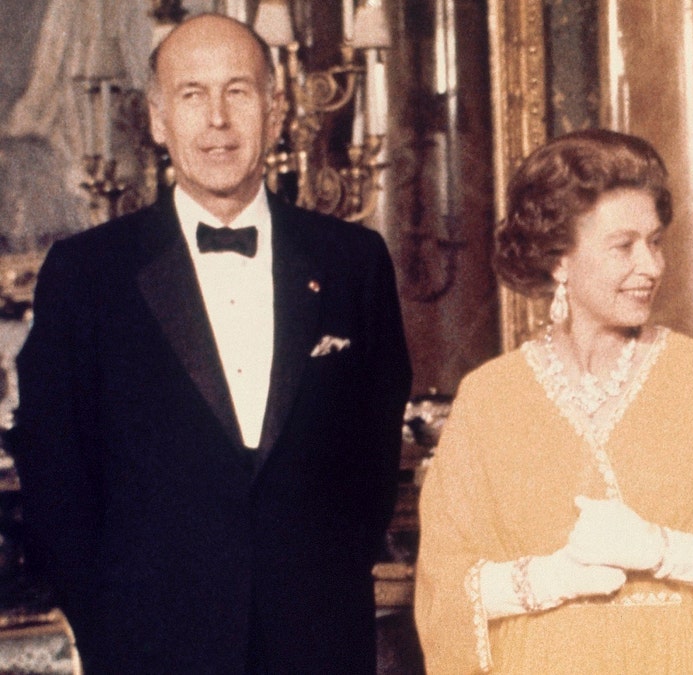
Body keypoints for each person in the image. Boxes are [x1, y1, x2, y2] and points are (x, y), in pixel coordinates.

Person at [6, 14, 411, 674]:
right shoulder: (87, 274)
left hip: (319, 641)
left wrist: (321, 583)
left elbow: (371, 461)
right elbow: (55, 474)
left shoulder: (353, 262)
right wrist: (106, 624)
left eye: (239, 92)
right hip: (150, 648)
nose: (217, 121)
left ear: (275, 111)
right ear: (159, 120)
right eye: (192, 95)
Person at [414, 128, 693, 673]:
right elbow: (445, 585)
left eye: (655, 242)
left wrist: (661, 549)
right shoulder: (489, 397)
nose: (651, 266)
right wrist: (551, 577)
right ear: (558, 260)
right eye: (623, 246)